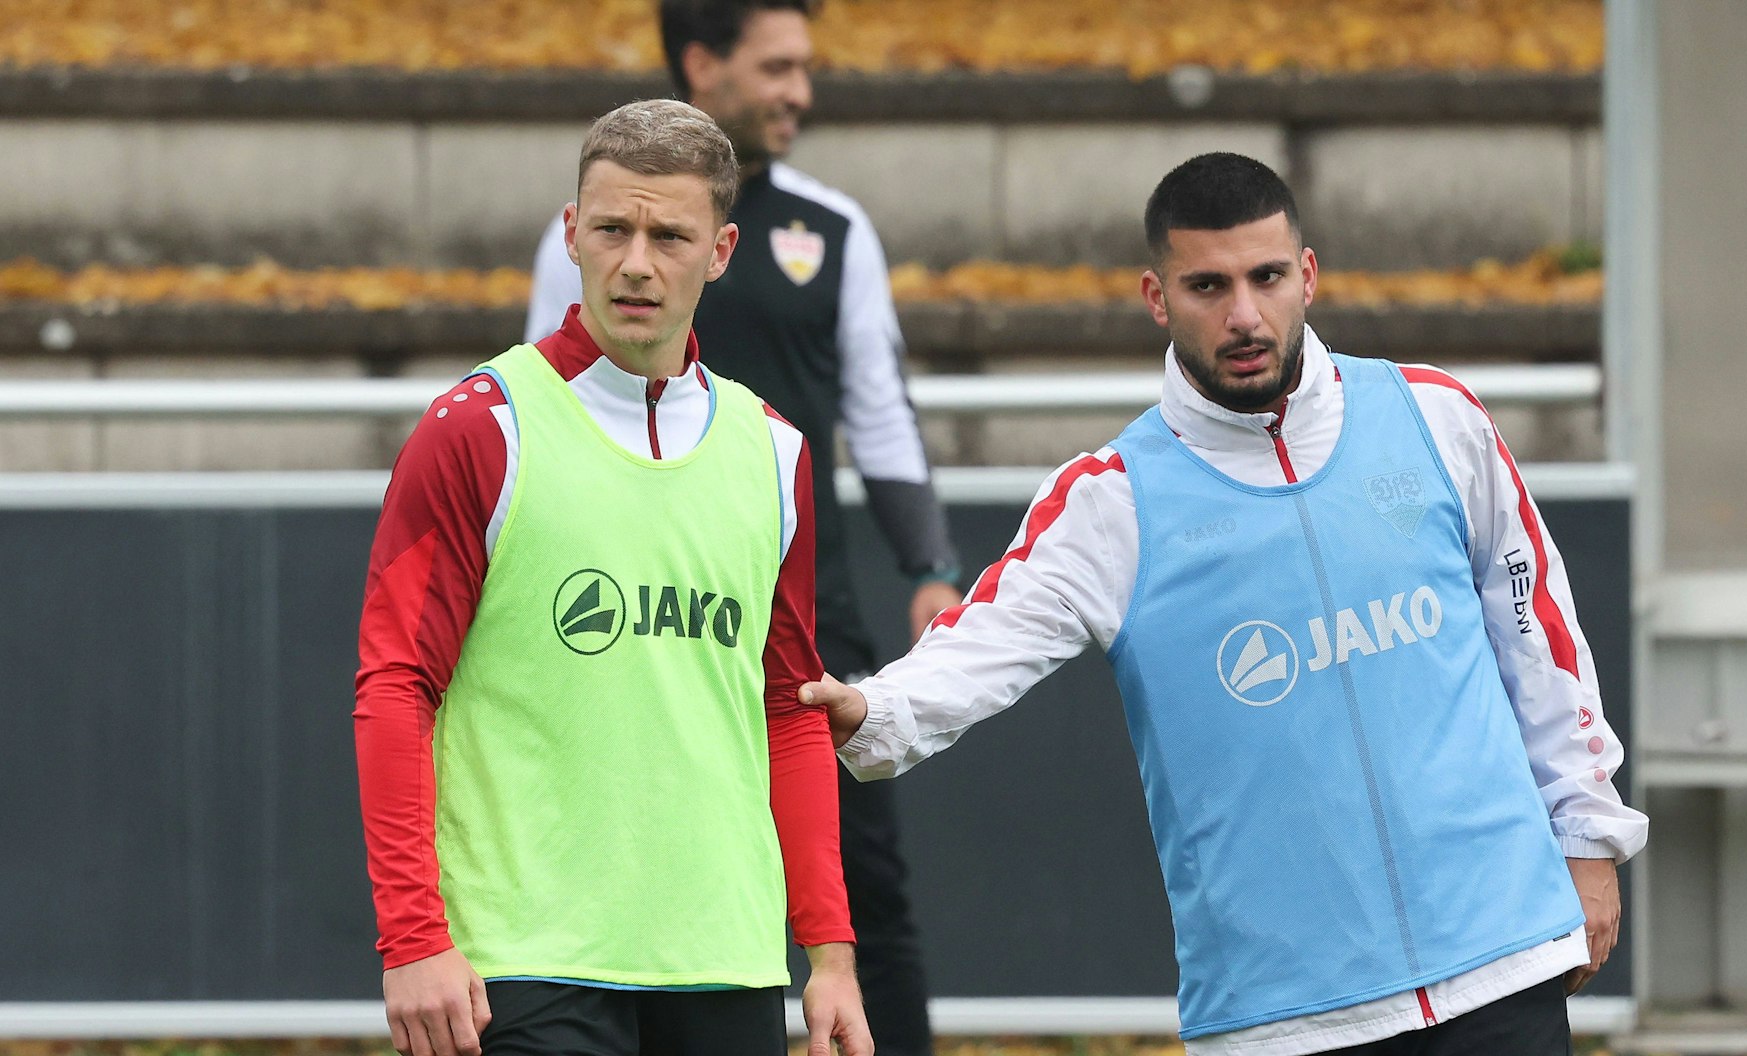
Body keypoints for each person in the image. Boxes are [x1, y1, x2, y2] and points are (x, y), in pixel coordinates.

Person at [803, 153, 1648, 1056]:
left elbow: (1537, 641)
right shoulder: (1111, 499)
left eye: (1266, 277)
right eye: (1207, 286)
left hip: (1501, 963)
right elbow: (977, 648)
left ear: (1308, 276)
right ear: (1156, 298)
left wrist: (1588, 836)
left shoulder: (1433, 415)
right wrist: (872, 711)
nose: (1243, 314)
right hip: (1283, 1014)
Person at [355, 98, 871, 1056]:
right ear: (571, 233)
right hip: (520, 962)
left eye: (669, 235)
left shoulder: (774, 452)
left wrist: (829, 952)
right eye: (612, 229)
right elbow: (394, 685)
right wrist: (413, 935)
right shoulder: (479, 428)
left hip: (724, 959)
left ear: (719, 251)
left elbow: (789, 710)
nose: (637, 261)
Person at [526, 4, 956, 1053]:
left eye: (805, 69)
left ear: (713, 250)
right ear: (701, 63)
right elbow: (546, 398)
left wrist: (931, 565)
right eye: (776, 68)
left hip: (803, 614)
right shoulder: (580, 234)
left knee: (865, 886)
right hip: (629, 612)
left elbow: (880, 410)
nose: (797, 93)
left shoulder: (837, 229)